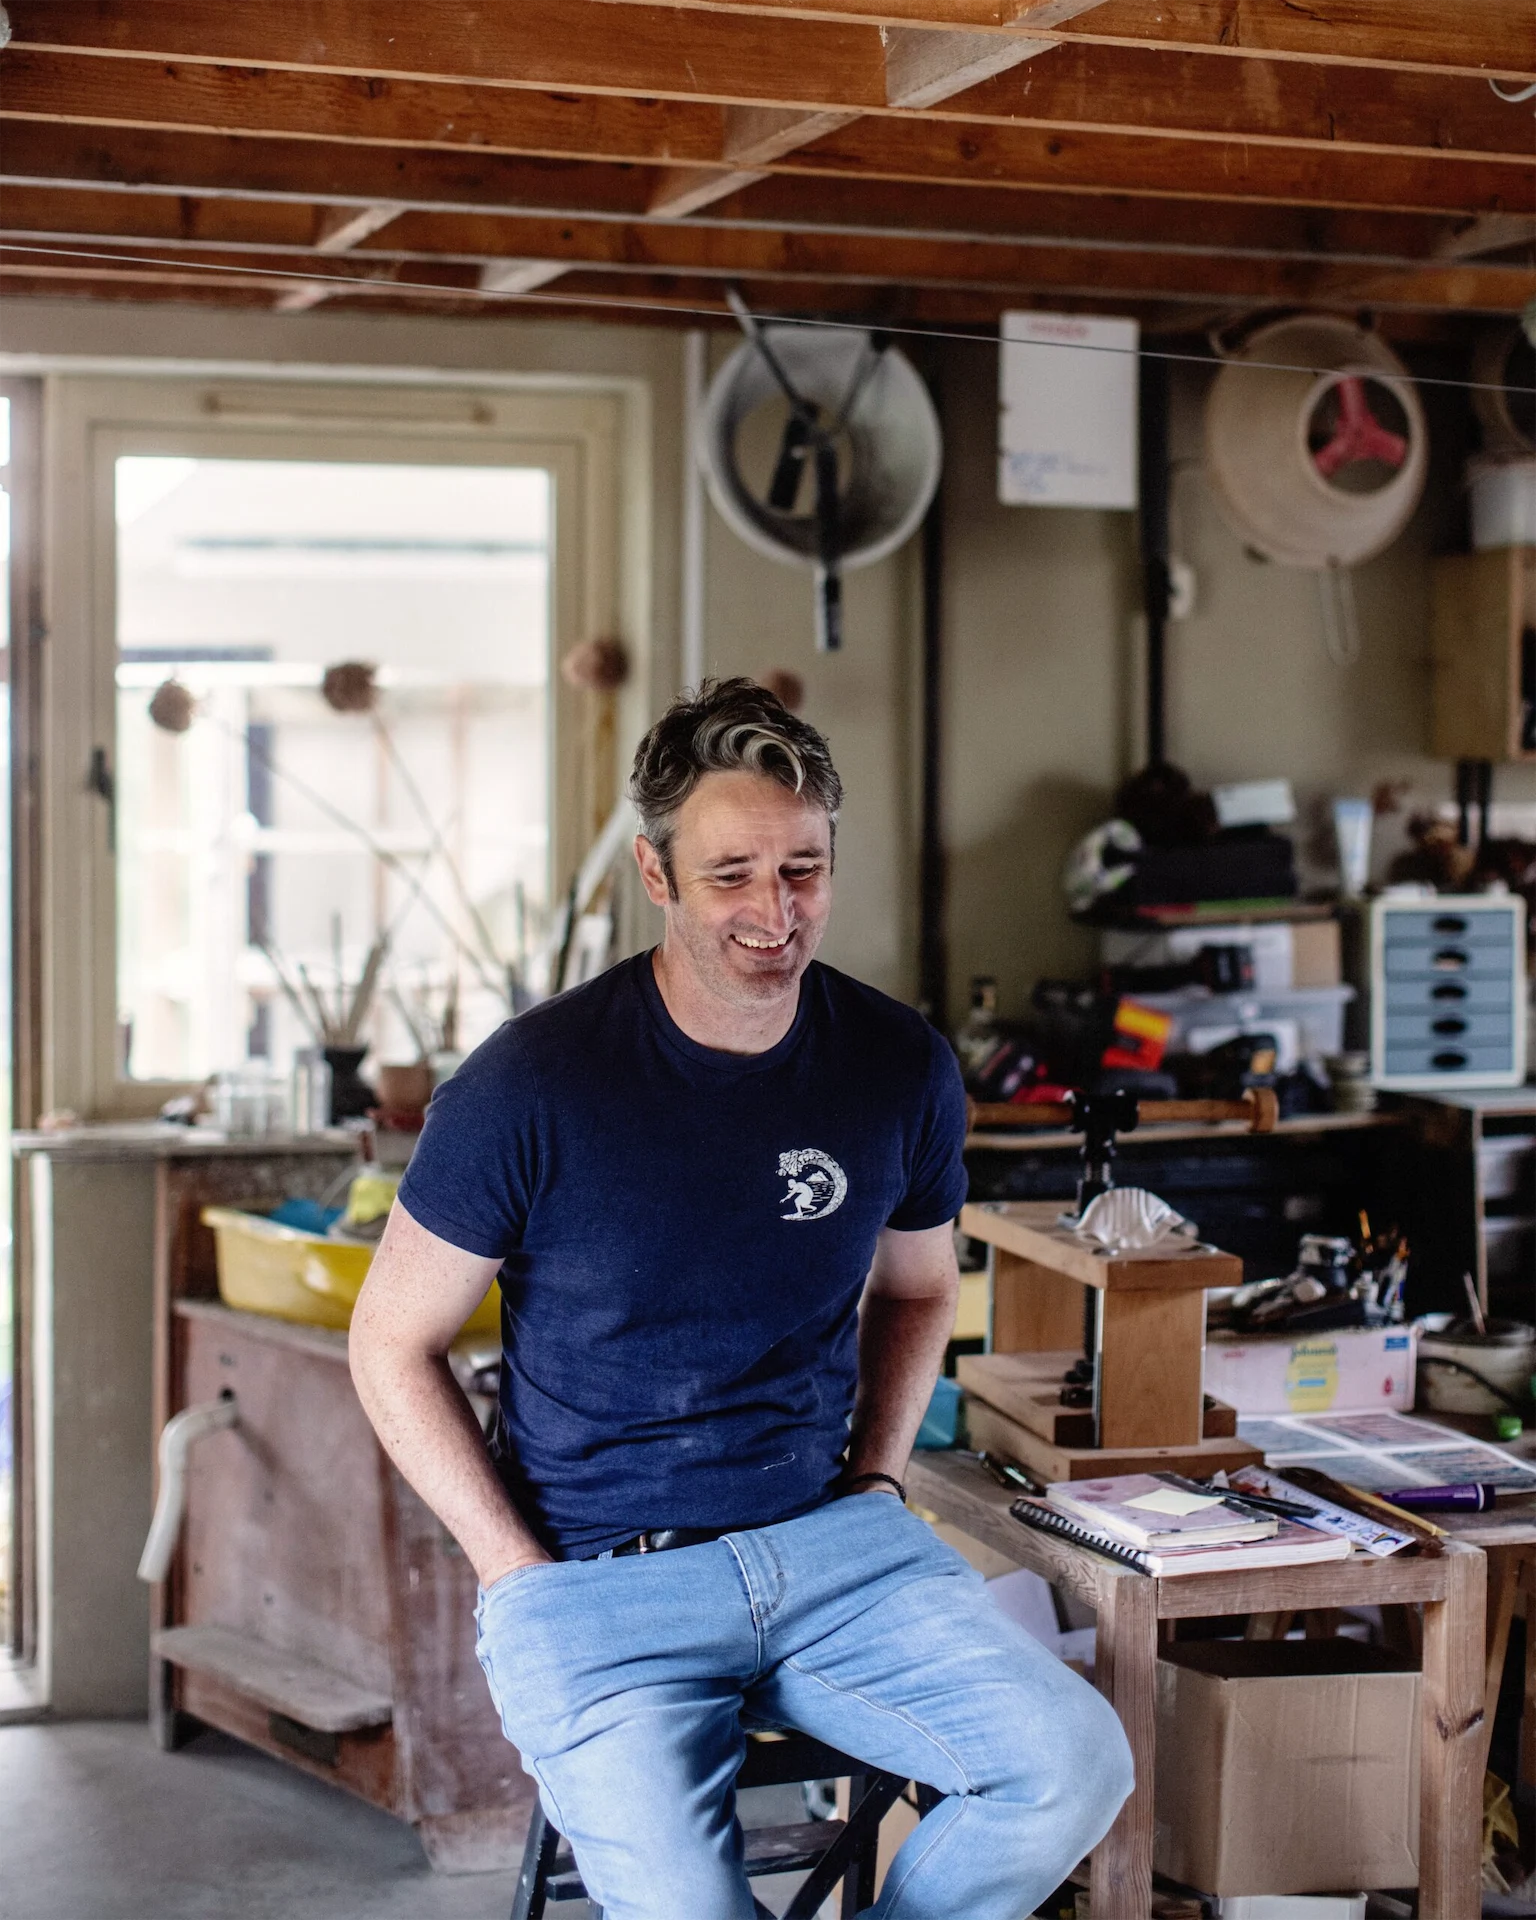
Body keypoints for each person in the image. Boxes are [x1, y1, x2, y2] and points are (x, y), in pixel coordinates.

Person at [349, 678, 1132, 1920]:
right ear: (657, 875)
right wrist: (511, 1569)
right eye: (732, 876)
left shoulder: (898, 1066)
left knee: (1073, 1766)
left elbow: (920, 1289)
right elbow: (391, 1344)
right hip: (600, 1579)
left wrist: (877, 1479)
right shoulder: (528, 1085)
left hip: (837, 1554)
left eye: (803, 869)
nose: (776, 912)